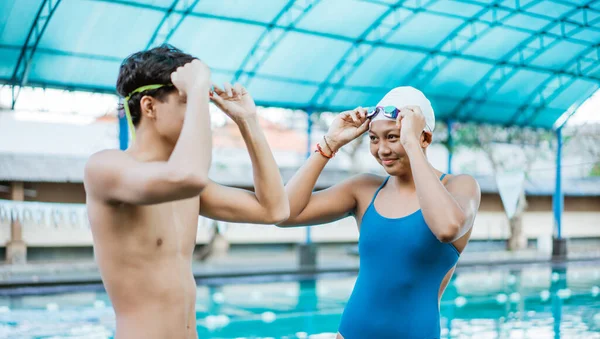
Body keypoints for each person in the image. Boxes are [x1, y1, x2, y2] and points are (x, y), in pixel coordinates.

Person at [83, 45, 289, 339]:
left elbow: (274, 210)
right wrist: (198, 85)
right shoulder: (106, 169)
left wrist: (248, 122)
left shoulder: (187, 187)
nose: (200, 111)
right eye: (187, 100)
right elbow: (188, 175)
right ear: (150, 106)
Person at [277, 87, 481, 338]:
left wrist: (411, 142)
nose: (382, 150)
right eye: (374, 138)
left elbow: (446, 228)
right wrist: (330, 144)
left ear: (425, 138)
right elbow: (283, 213)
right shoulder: (364, 189)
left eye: (393, 137)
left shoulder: (460, 186)